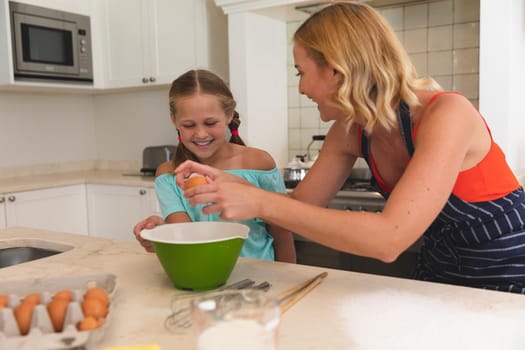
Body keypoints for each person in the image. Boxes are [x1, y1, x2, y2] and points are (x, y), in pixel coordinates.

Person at [174, 2, 525, 294]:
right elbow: (299, 208)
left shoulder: (448, 113)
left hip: (510, 268)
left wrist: (261, 201)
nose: (301, 89)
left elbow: (390, 239)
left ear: (337, 73)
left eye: (300, 72)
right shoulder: (350, 130)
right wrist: (230, 184)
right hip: (441, 268)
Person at [133, 69, 296, 263]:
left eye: (210, 123)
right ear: (174, 120)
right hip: (203, 277)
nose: (201, 134)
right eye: (189, 125)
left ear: (228, 115)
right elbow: (187, 240)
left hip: (262, 282)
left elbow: (282, 236)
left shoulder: (258, 163)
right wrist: (162, 234)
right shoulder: (168, 176)